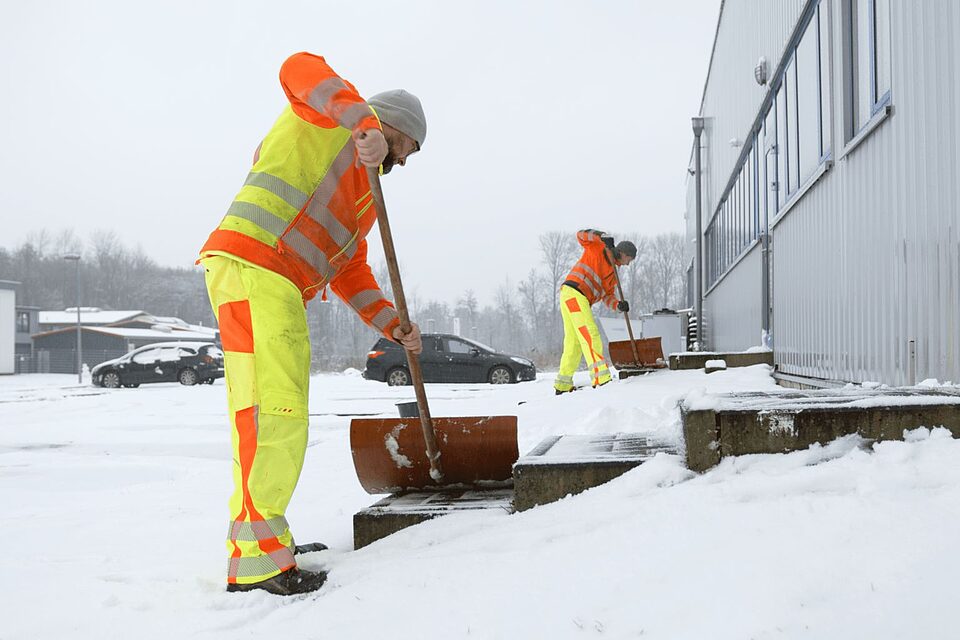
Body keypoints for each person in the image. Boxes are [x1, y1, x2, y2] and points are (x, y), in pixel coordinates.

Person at [197, 52, 426, 595]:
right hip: (258, 265)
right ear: (392, 125)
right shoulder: (329, 117)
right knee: (276, 414)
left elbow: (349, 270)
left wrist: (392, 323)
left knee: (266, 415)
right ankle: (259, 563)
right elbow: (297, 67)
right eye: (407, 147)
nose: (403, 160)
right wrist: (362, 123)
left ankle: (262, 545)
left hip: (265, 278)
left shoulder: (364, 194)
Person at [554, 230, 637, 394]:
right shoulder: (598, 247)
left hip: (572, 297)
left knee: (574, 343)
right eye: (629, 259)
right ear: (623, 253)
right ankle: (601, 378)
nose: (628, 264)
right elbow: (580, 235)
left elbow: (607, 296)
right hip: (575, 292)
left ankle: (562, 384)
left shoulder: (613, 274)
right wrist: (601, 236)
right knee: (590, 333)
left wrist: (618, 305)